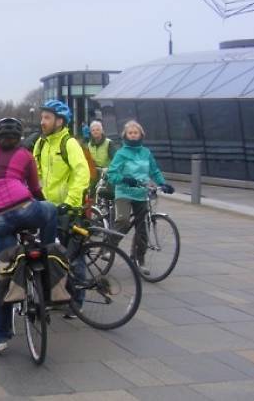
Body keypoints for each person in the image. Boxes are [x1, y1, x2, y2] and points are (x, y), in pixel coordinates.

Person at [0, 117, 57, 355]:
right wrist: (42, 205)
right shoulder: (26, 155)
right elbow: (34, 188)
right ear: (20, 138)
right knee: (51, 211)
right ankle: (48, 254)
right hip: (25, 208)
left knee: (4, 276)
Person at [33, 99, 90, 318]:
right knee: (52, 253)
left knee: (73, 256)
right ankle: (56, 295)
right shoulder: (41, 143)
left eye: (47, 118)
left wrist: (71, 201)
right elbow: (35, 172)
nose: (42, 122)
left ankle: (77, 302)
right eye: (42, 117)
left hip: (68, 208)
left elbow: (81, 172)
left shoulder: (69, 143)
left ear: (59, 121)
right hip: (47, 208)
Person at [106, 120, 174, 275]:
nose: (133, 135)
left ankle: (139, 259)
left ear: (141, 134)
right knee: (123, 220)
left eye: (135, 132)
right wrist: (124, 179)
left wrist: (163, 184)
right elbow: (112, 174)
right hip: (124, 192)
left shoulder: (146, 153)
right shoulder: (122, 153)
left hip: (141, 194)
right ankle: (109, 247)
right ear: (125, 135)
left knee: (143, 229)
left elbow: (154, 171)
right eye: (130, 133)